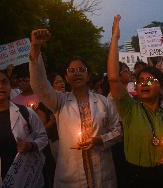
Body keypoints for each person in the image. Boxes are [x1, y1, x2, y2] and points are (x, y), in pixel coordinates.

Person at [29, 29, 121, 188]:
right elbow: (39, 85)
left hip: (102, 173)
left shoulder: (103, 101)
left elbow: (119, 130)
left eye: (81, 70)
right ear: (66, 77)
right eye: (72, 71)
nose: (77, 73)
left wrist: (100, 140)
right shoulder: (60, 101)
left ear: (88, 75)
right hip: (70, 176)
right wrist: (36, 48)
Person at [107, 15, 163, 188]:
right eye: (140, 81)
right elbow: (112, 78)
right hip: (135, 177)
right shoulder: (130, 110)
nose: (144, 84)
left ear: (162, 88)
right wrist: (115, 38)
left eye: (150, 81)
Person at [0, 69, 48, 188]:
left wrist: (30, 145)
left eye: (4, 82)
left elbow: (43, 137)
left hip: (27, 179)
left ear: (10, 86)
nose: (0, 86)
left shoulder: (25, 112)